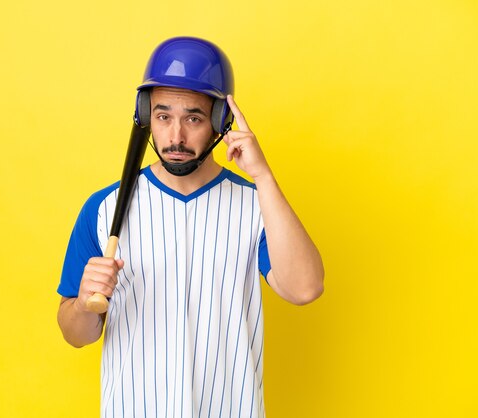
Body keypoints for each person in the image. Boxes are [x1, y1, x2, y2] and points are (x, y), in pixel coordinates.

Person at [56, 36, 324, 417]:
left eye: (193, 118)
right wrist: (84, 305)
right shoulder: (103, 209)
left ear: (219, 119)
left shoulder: (256, 205)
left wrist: (263, 176)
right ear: (148, 116)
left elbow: (305, 288)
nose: (175, 136)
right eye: (163, 117)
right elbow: (74, 334)